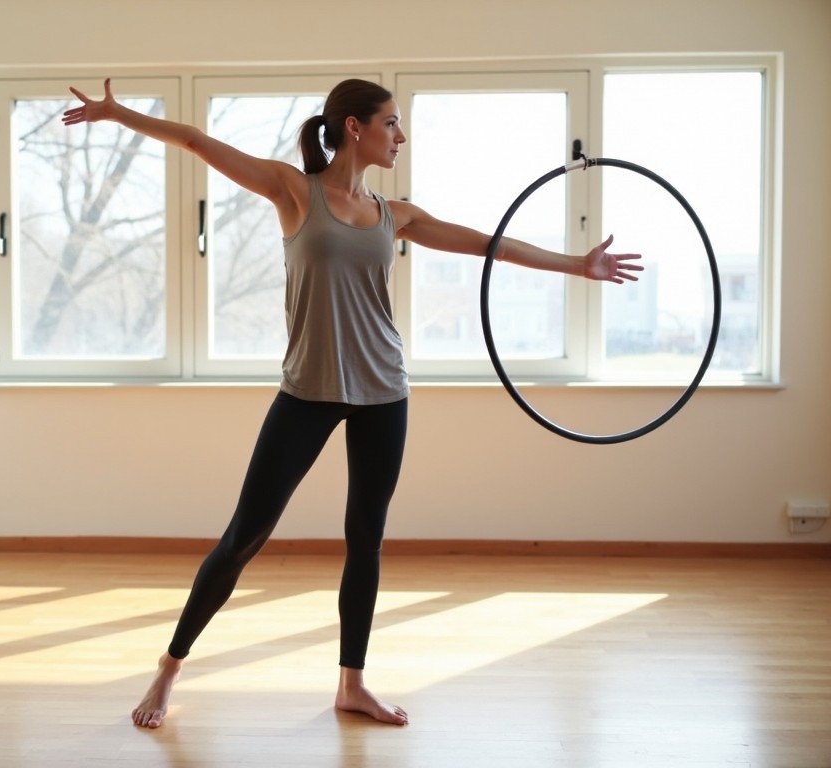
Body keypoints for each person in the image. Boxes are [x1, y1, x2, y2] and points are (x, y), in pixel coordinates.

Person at [62, 78, 642, 729]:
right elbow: (197, 140)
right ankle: (168, 670)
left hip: (383, 393)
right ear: (354, 128)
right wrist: (117, 115)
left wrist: (577, 265)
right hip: (307, 392)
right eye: (391, 123)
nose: (401, 135)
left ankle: (352, 684)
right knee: (243, 538)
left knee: (365, 538)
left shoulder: (397, 214)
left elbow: (491, 245)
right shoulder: (293, 189)